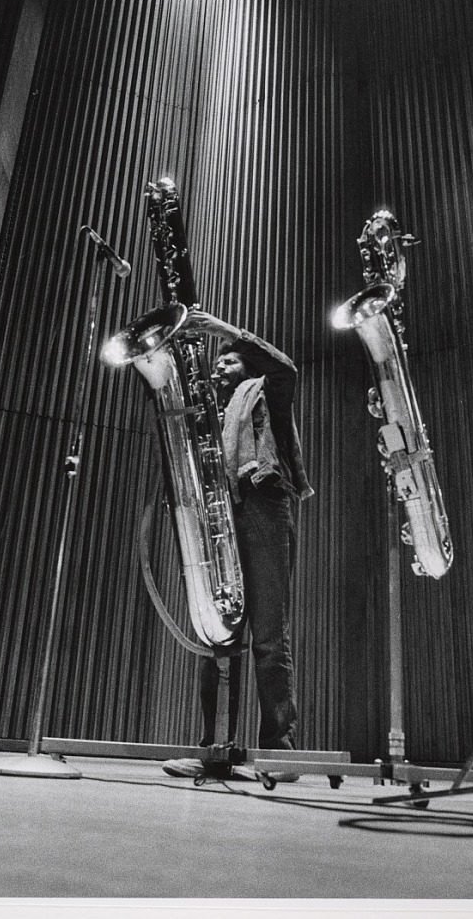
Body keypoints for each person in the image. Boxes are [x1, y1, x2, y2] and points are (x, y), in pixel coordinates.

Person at [163, 312, 313, 781]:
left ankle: (279, 751)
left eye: (227, 361)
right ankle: (215, 748)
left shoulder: (269, 388)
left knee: (269, 636)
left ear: (246, 366)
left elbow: (286, 366)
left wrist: (227, 334)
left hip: (264, 509)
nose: (218, 366)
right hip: (219, 517)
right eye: (218, 361)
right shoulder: (208, 409)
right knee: (218, 636)